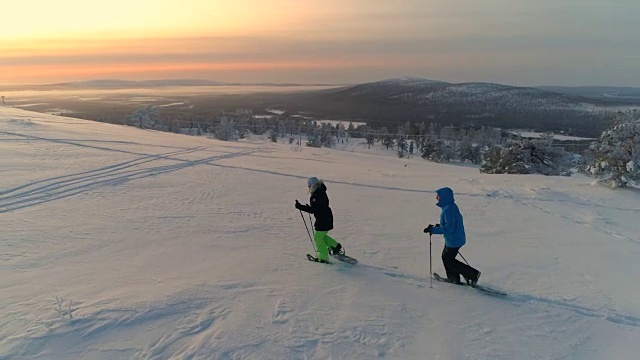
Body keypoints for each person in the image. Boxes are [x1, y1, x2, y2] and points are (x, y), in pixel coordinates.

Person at [424, 187, 481, 286]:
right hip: (454, 238)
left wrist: (433, 230)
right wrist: (437, 226)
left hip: (454, 240)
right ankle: (454, 279)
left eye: (438, 196)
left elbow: (449, 228)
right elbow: (450, 224)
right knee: (447, 258)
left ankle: (472, 274)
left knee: (448, 259)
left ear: (444, 197)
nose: (436, 198)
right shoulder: (449, 206)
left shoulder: (448, 209)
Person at [295, 177, 342, 263]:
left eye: (309, 186)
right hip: (327, 217)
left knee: (318, 238)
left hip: (322, 219)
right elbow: (318, 207)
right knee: (321, 236)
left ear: (312, 186)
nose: (308, 188)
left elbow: (314, 210)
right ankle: (335, 246)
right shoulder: (321, 191)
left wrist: (301, 207)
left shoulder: (316, 195)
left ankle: (323, 258)